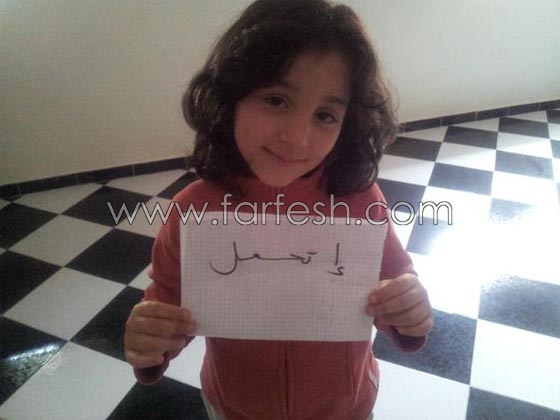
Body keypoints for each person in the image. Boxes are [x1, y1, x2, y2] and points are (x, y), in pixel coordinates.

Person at [124, 1, 433, 419]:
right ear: (231, 96)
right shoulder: (194, 211)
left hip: (346, 408)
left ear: (348, 123)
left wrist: (408, 309)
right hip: (235, 408)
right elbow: (169, 297)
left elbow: (394, 280)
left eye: (325, 115)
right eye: (276, 100)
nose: (297, 138)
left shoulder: (361, 201)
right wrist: (151, 339)